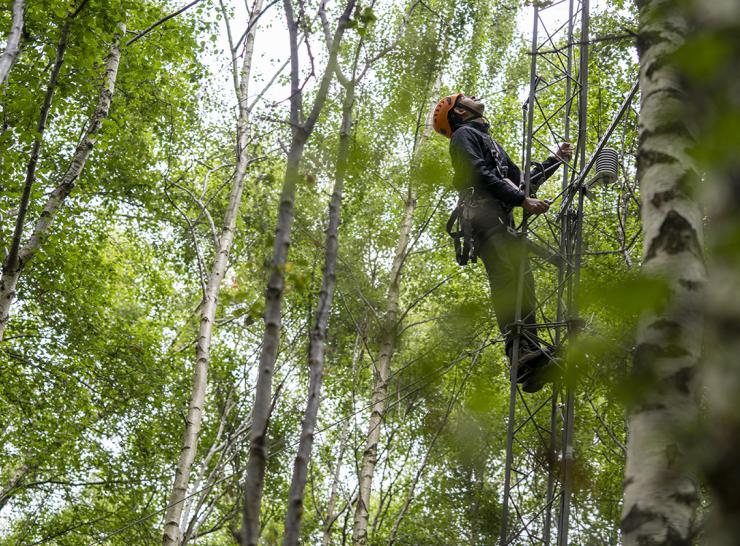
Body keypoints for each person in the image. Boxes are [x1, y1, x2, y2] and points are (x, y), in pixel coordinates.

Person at [433, 93, 572, 392]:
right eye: (467, 98)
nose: (474, 97)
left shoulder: (489, 142)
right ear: (459, 111)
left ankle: (531, 357)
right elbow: (479, 175)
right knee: (507, 276)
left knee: (524, 282)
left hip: (502, 220)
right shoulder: (463, 136)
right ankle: (518, 353)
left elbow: (520, 183)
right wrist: (522, 201)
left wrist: (554, 161)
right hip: (482, 215)